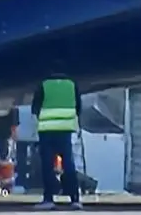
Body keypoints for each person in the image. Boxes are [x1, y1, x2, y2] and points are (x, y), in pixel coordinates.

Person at [31, 73, 83, 210]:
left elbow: (35, 107)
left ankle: (49, 199)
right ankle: (75, 199)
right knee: (69, 164)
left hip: (47, 131)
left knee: (47, 166)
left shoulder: (44, 84)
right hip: (65, 130)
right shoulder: (72, 85)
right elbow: (78, 107)